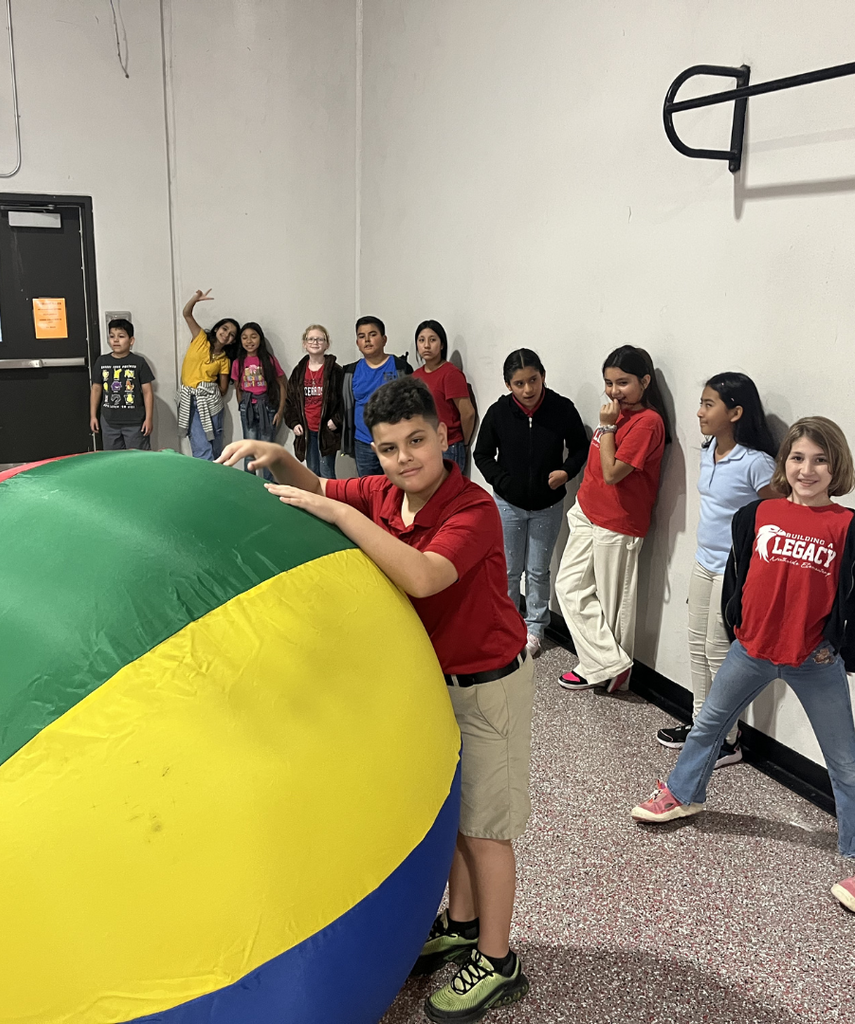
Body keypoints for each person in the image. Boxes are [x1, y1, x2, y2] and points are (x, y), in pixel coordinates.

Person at [217, 377, 533, 1022]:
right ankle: (465, 925)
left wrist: (341, 515)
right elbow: (320, 488)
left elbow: (422, 578)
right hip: (433, 684)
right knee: (455, 815)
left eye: (417, 441)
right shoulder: (385, 492)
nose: (404, 458)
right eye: (388, 448)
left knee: (485, 830)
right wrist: (277, 456)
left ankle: (500, 961)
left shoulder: (472, 509)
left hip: (487, 687)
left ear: (445, 435)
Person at [632, 417, 855, 915]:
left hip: (812, 661)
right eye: (798, 458)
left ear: (836, 466)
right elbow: (738, 573)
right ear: (784, 463)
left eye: (820, 460)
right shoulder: (758, 514)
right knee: (709, 722)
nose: (807, 469)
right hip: (751, 650)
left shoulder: (849, 528)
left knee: (845, 760)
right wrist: (738, 626)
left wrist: (843, 651)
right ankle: (684, 792)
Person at [656, 372, 779, 768]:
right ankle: (701, 727)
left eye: (709, 405)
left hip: (735, 571)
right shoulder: (709, 449)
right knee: (696, 645)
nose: (700, 412)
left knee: (717, 653)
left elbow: (780, 516)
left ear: (736, 412)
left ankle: (727, 739)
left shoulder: (757, 463)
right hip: (703, 561)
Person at [555, 345, 670, 693]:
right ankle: (609, 661)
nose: (613, 390)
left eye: (623, 382)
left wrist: (606, 429)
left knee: (612, 603)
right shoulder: (616, 413)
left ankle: (612, 672)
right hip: (588, 511)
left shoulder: (647, 422)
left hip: (618, 521)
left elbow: (613, 473)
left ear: (645, 381)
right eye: (608, 382)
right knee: (568, 586)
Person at [475, 348, 589, 657]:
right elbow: (482, 454)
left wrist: (566, 471)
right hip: (508, 505)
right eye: (519, 383)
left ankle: (536, 627)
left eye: (533, 380)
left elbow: (581, 447)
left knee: (538, 571)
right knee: (510, 570)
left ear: (543, 377)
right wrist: (503, 481)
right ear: (508, 385)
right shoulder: (499, 413)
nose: (528, 390)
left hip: (548, 506)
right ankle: (508, 624)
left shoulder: (561, 409)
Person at [341, 316, 412, 476]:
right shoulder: (350, 372)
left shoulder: (401, 368)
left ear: (384, 339)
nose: (367, 340)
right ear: (357, 342)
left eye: (373, 334)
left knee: (398, 487)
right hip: (363, 443)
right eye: (361, 336)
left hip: (395, 442)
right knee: (368, 490)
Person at [177, 288, 237, 460]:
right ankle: (206, 483)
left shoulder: (225, 360)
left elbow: (223, 389)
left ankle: (216, 481)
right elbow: (186, 313)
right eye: (224, 329)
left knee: (215, 447)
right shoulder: (200, 338)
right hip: (189, 400)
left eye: (231, 334)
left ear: (233, 340)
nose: (226, 335)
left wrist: (207, 388)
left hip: (211, 402)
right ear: (218, 328)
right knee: (202, 449)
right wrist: (196, 298)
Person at [412, 320, 475, 471]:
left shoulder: (450, 374)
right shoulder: (415, 376)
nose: (426, 345)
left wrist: (463, 443)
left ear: (441, 345)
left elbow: (468, 413)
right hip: (424, 445)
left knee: (448, 493)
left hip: (449, 447)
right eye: (421, 340)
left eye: (432, 340)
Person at [283, 324, 343, 479]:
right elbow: (290, 401)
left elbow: (344, 399)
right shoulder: (299, 371)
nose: (315, 342)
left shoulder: (335, 371)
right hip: (307, 431)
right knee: (312, 471)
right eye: (311, 339)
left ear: (327, 344)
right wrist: (294, 422)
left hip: (327, 431)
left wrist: (336, 420)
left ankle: (330, 502)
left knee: (327, 472)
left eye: (320, 339)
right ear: (304, 344)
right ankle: (313, 502)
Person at [230, 322, 288, 479]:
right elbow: (238, 387)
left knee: (267, 450)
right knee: (249, 450)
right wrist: (242, 406)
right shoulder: (238, 363)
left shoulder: (269, 360)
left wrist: (280, 410)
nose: (249, 341)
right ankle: (249, 485)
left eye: (253, 337)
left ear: (260, 339)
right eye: (244, 337)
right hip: (247, 408)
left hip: (268, 408)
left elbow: (282, 384)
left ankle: (268, 486)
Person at [89, 318, 154, 450]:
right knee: (113, 460)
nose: (116, 340)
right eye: (112, 336)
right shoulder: (102, 361)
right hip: (109, 422)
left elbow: (147, 392)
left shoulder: (139, 362)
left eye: (121, 336)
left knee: (137, 459)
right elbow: (96, 389)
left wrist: (149, 418)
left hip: (135, 422)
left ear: (131, 341)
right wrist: (93, 416)